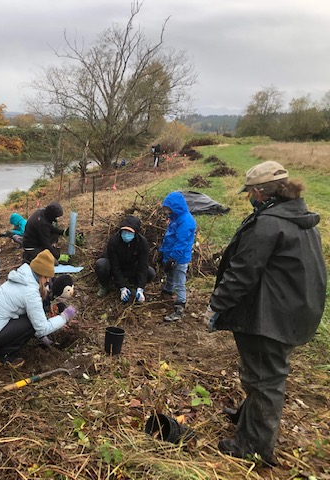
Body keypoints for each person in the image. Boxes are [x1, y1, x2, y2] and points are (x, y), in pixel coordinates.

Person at [203, 161, 326, 465]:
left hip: (271, 316)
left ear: (259, 191)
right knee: (264, 372)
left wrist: (216, 304)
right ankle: (250, 419)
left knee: (263, 379)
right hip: (293, 309)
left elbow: (243, 272)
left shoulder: (269, 223)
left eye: (250, 193)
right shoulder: (296, 214)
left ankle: (253, 447)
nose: (250, 198)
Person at [0, 249, 78, 368]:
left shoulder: (21, 277)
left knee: (26, 317)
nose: (47, 280)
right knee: (30, 323)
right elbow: (41, 328)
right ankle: (3, 356)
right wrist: (64, 317)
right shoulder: (30, 293)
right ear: (41, 274)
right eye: (46, 277)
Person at [95, 215, 156, 301]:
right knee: (101, 264)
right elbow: (115, 266)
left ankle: (134, 286)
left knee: (150, 273)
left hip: (131, 267)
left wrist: (140, 288)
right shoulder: (114, 242)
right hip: (114, 267)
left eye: (129, 232)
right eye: (124, 231)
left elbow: (142, 266)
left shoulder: (142, 243)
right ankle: (105, 286)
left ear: (136, 232)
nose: (126, 234)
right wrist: (122, 287)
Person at [159, 191, 196, 322]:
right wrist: (162, 252)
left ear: (175, 206)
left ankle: (180, 305)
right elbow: (168, 238)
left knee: (179, 280)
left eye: (168, 208)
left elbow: (182, 243)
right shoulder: (175, 219)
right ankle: (168, 291)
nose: (167, 211)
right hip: (171, 255)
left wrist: (173, 258)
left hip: (179, 258)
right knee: (169, 274)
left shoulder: (186, 221)